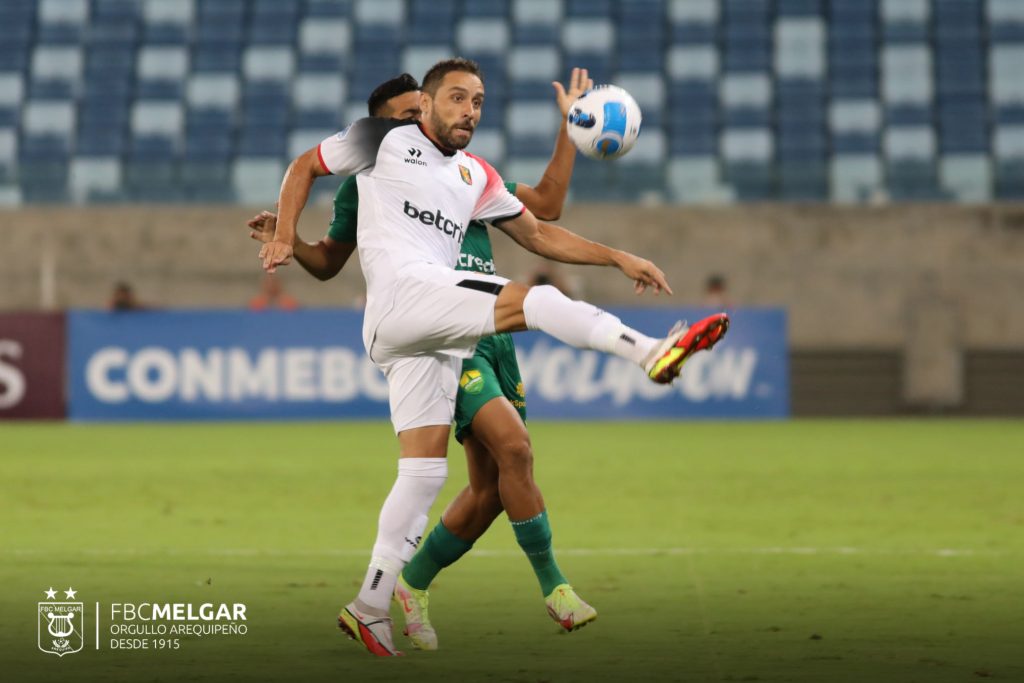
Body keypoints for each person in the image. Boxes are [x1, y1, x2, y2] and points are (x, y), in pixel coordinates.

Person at [257, 58, 729, 657]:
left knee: (425, 472)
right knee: (537, 299)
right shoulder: (380, 141)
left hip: (422, 334)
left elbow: (539, 230)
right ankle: (651, 353)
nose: (470, 111)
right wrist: (284, 235)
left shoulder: (474, 175)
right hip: (409, 294)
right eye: (456, 98)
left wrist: (618, 257)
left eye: (478, 101)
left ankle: (370, 606)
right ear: (425, 105)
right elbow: (304, 167)